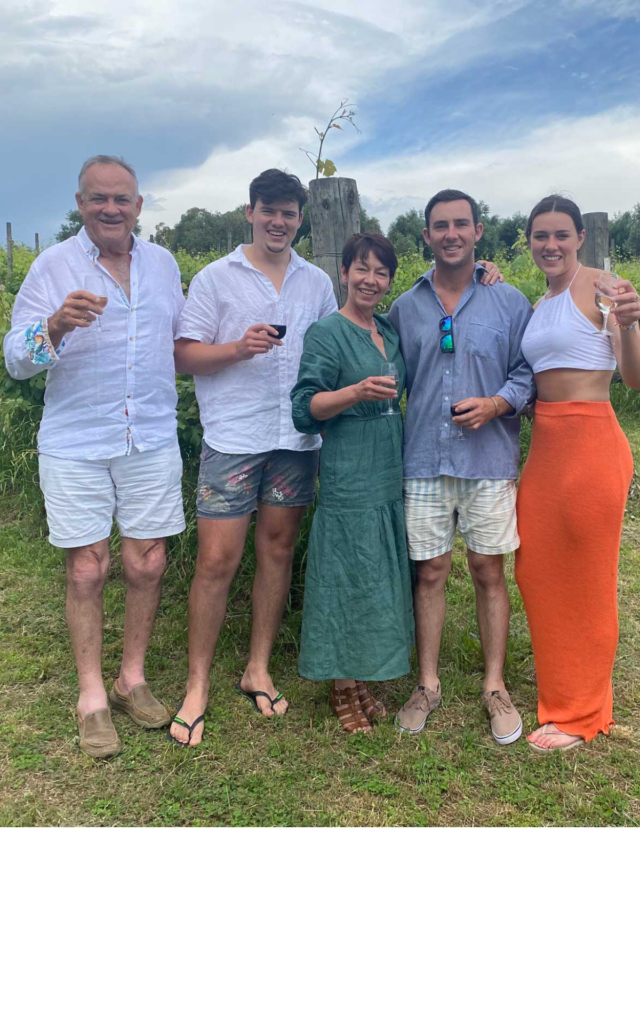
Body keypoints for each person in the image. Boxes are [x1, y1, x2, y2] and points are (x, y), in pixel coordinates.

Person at [4, 155, 186, 758]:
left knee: (148, 561)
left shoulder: (162, 265)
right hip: (77, 440)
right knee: (88, 567)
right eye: (98, 199)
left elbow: (182, 340)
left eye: (122, 199)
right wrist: (53, 326)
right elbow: (16, 360)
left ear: (139, 206)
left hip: (151, 436)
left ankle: (131, 677)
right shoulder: (53, 266)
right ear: (80, 204)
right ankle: (91, 695)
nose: (111, 209)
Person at [169, 168, 337, 747]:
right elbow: (183, 356)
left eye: (290, 212)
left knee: (278, 550)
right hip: (233, 439)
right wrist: (239, 349)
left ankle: (256, 667)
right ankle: (196, 685)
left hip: (295, 442)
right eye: (269, 210)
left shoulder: (316, 282)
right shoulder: (217, 278)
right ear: (250, 211)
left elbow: (334, 346)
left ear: (300, 218)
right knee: (216, 561)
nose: (279, 221)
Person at [389, 188, 533, 745]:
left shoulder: (509, 301)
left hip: (488, 460)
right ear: (425, 236)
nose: (451, 234)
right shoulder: (405, 307)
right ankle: (427, 683)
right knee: (429, 571)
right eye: (439, 226)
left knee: (487, 571)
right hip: (423, 458)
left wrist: (497, 404)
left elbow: (528, 374)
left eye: (461, 224)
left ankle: (494, 685)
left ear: (478, 232)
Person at [515, 196, 640, 751]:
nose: (551, 245)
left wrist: (632, 326)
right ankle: (560, 692)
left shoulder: (604, 287)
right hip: (545, 446)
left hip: (590, 441)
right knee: (536, 569)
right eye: (540, 235)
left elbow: (634, 378)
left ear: (579, 237)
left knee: (587, 579)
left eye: (561, 235)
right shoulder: (541, 302)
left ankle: (582, 712)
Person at [291, 233, 413, 733]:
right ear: (344, 272)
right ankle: (340, 684)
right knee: (344, 572)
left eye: (381, 272)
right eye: (361, 269)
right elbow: (304, 409)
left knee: (374, 572)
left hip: (387, 465)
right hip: (348, 466)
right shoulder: (327, 332)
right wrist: (354, 392)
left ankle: (360, 674)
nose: (371, 280)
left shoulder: (387, 328)